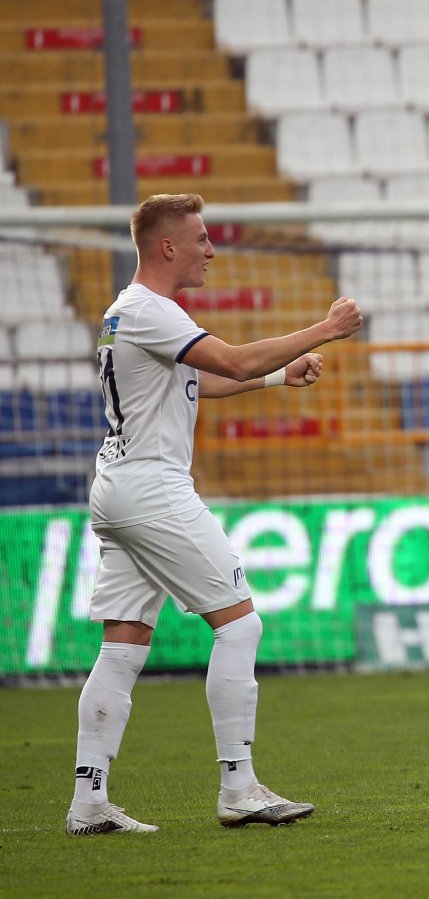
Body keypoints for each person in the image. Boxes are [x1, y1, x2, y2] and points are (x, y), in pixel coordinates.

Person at [66, 193, 363, 835]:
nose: (211, 249)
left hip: (118, 484)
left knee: (122, 646)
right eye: (201, 238)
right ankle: (240, 788)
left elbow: (206, 381)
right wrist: (325, 328)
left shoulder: (132, 314)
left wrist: (281, 378)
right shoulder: (149, 309)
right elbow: (227, 359)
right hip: (152, 487)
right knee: (240, 626)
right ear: (167, 246)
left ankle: (88, 802)